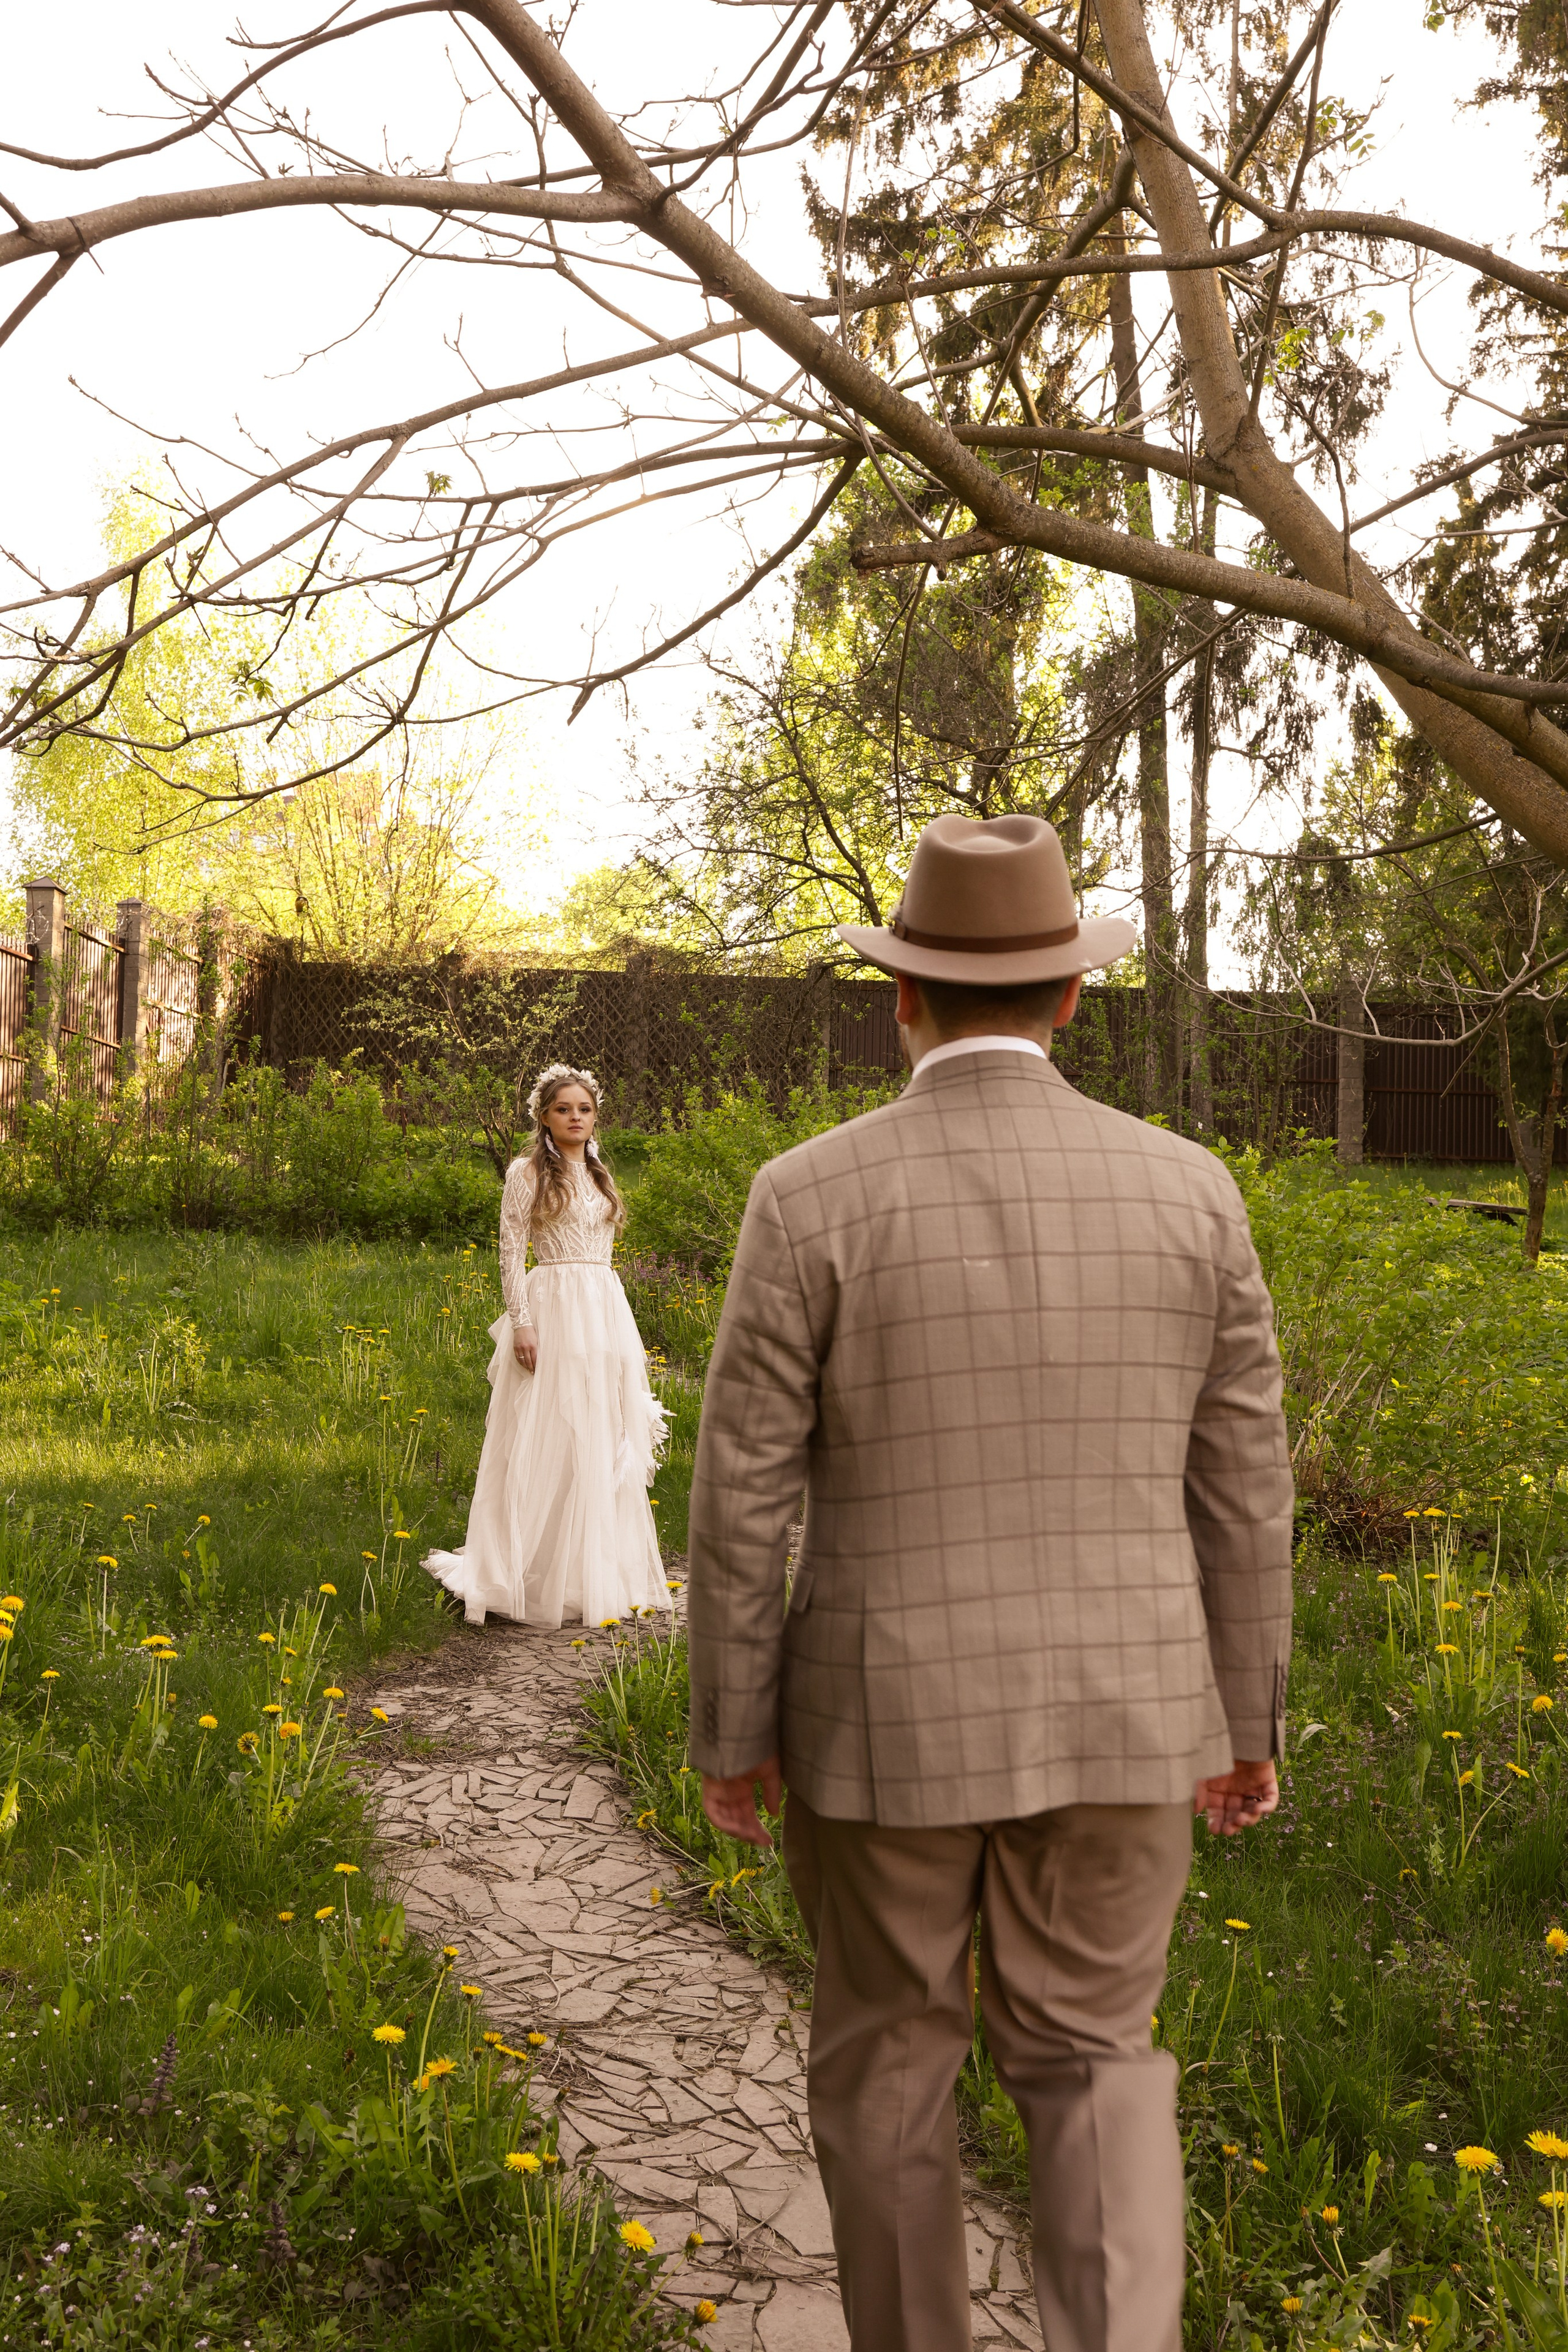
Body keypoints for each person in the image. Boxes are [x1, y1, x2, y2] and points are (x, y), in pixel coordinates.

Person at [685, 814, 1293, 2352]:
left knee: (887, 2066)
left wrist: (729, 1730)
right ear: (1070, 996)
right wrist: (1245, 1719)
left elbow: (742, 1489)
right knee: (1094, 2061)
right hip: (1129, 1718)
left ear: (900, 994)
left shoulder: (805, 1195)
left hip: (879, 1726)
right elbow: (1242, 1484)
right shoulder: (1189, 1191)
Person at [423, 1062, 671, 1629]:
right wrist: (523, 1322)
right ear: (544, 1116)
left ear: (595, 1116)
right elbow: (511, 1251)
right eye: (564, 1109)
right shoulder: (527, 1172)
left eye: (584, 1109)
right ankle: (524, 1567)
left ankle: (588, 1569)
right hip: (553, 1304)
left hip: (603, 1306)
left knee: (599, 1429)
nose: (575, 1118)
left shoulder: (600, 1172)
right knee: (546, 1427)